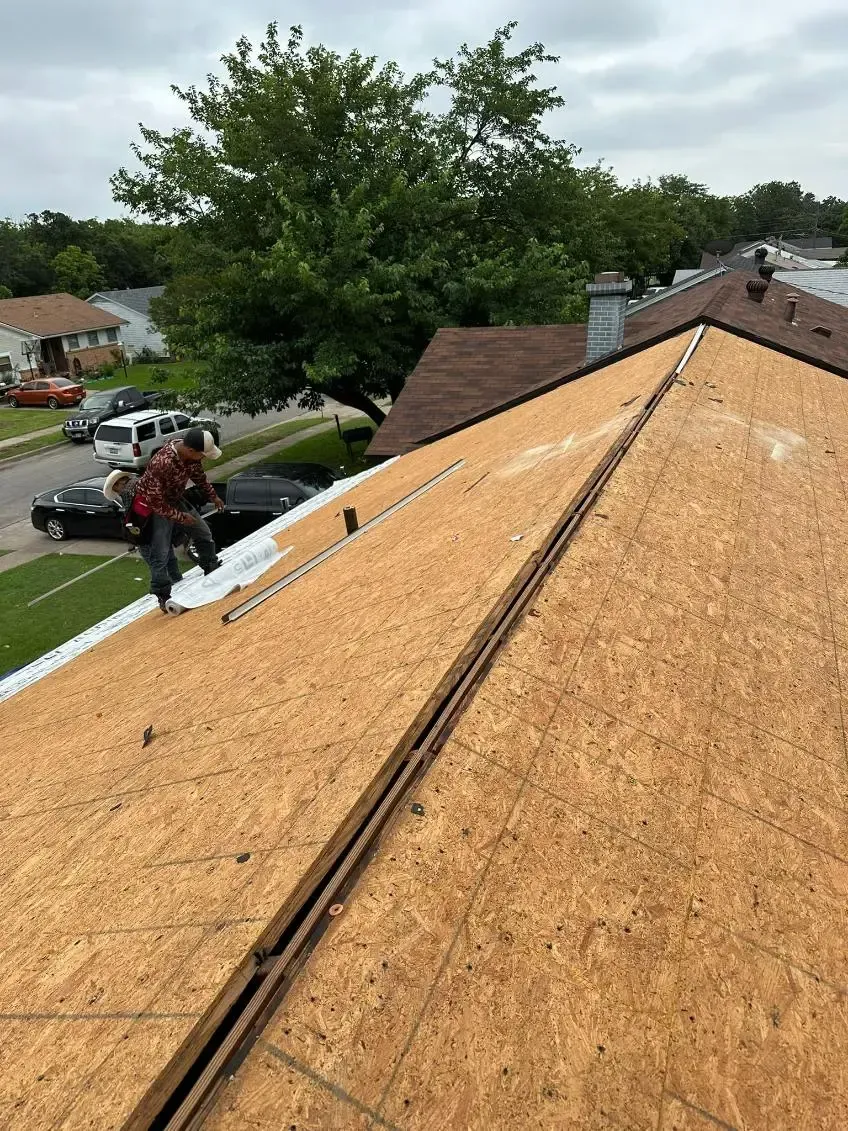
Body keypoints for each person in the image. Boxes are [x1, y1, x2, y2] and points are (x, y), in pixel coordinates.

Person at [125, 428, 225, 611]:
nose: (202, 459)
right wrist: (179, 517)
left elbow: (199, 477)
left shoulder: (190, 454)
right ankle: (163, 594)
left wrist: (214, 496)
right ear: (190, 451)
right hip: (154, 505)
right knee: (161, 552)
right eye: (202, 456)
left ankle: (210, 564)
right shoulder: (161, 463)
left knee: (202, 531)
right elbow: (155, 502)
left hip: (174, 498)